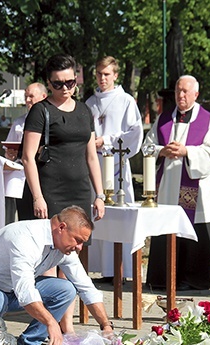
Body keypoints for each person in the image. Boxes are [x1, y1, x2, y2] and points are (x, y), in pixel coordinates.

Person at [0, 206, 114, 345]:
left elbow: (86, 286)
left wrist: (106, 326)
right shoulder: (26, 237)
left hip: (12, 290)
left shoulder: (63, 245)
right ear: (61, 228)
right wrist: (51, 322)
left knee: (66, 290)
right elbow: (26, 291)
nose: (79, 247)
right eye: (78, 240)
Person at [21, 54, 106, 333]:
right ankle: (51, 326)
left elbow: (92, 156)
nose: (65, 88)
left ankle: (66, 326)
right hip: (49, 190)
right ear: (49, 83)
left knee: (71, 256)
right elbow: (28, 157)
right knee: (48, 260)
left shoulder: (84, 111)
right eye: (58, 84)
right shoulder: (40, 110)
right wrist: (38, 197)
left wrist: (100, 194)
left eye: (70, 82)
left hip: (79, 189)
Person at [143, 75, 210, 291]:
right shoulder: (164, 118)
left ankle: (193, 279)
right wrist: (162, 150)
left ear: (196, 94)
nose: (181, 95)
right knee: (166, 228)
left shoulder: (208, 121)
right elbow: (147, 147)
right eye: (178, 91)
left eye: (186, 91)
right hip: (168, 187)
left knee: (192, 229)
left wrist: (187, 151)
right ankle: (162, 278)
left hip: (194, 192)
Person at [85, 56, 143, 283]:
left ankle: (122, 270)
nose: (102, 78)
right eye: (99, 74)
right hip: (94, 166)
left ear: (116, 75)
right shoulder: (90, 103)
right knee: (97, 215)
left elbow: (135, 134)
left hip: (117, 164)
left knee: (118, 216)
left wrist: (106, 140)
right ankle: (103, 269)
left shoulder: (126, 101)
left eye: (107, 74)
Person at [3, 82, 47, 223]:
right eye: (26, 96)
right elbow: (8, 150)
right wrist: (10, 154)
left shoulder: (50, 119)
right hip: (22, 174)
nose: (27, 100)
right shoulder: (19, 122)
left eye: (31, 96)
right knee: (25, 217)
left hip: (44, 174)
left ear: (43, 96)